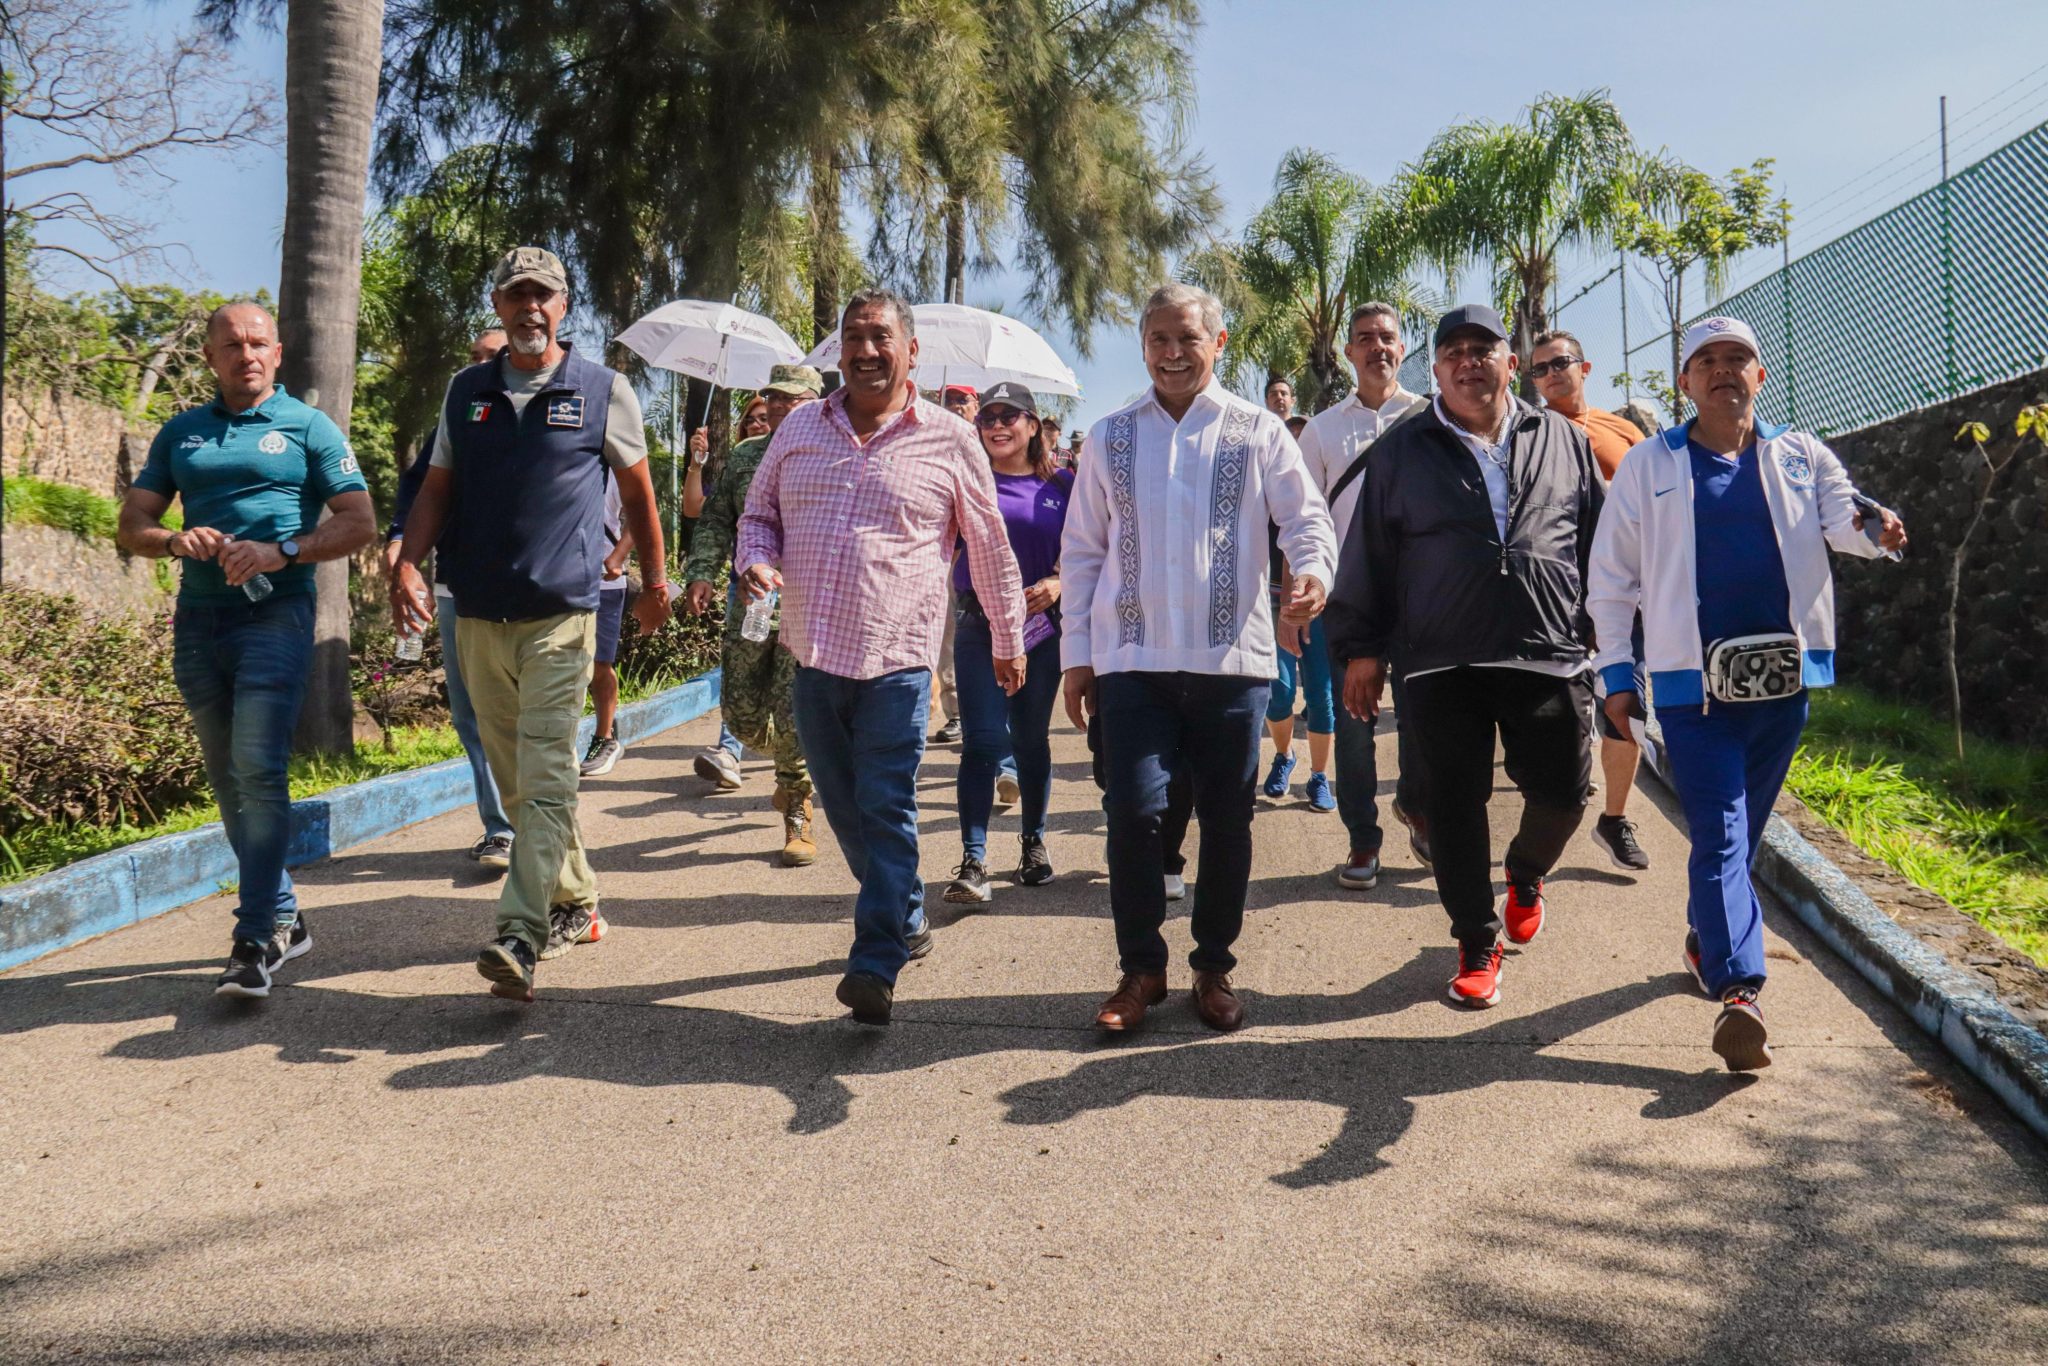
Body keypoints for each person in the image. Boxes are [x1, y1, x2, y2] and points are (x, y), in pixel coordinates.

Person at [1590, 316, 1906, 1071]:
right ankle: (1740, 991)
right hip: (1691, 693)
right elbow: (1612, 579)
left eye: (1739, 359)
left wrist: (1879, 532)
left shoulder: (1801, 456)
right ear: (1685, 381)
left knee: (1741, 833)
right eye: (1707, 361)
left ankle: (1707, 937)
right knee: (1723, 835)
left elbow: (1846, 520)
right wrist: (1616, 675)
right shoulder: (1649, 464)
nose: (1724, 370)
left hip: (1782, 688)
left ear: (1760, 376)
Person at [736, 287, 1027, 1026]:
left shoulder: (950, 439)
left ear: (911, 351)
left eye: (880, 337)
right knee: (846, 811)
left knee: (887, 805)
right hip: (812, 655)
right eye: (853, 338)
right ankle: (905, 910)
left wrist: (1007, 638)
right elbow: (758, 515)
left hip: (898, 660)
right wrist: (757, 560)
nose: (865, 351)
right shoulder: (800, 428)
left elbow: (989, 546)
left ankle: (874, 960)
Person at [391, 245, 670, 1002]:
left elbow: (639, 496)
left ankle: (520, 931)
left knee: (547, 773)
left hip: (562, 614)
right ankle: (577, 901)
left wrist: (654, 580)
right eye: (517, 294)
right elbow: (436, 489)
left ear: (563, 305)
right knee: (517, 782)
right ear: (497, 303)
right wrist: (408, 563)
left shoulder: (602, 389)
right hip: (479, 612)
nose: (530, 308)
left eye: (543, 295)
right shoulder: (467, 391)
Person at [1062, 282, 1337, 1034]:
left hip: (1231, 664)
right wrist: (1077, 656)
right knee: (1133, 814)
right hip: (1133, 661)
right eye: (1159, 339)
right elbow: (1083, 551)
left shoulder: (1258, 430)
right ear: (1143, 346)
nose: (1173, 354)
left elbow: (1305, 519)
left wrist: (1312, 574)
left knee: (1227, 822)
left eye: (1188, 338)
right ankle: (1141, 970)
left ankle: (1212, 968)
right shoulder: (1110, 436)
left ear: (1219, 343)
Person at [1326, 303, 1603, 1011]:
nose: (1468, 363)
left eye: (1483, 350)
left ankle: (1525, 872)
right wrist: (1362, 649)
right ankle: (1477, 940)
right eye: (1453, 352)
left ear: (1511, 362)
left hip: (1548, 648)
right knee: (1452, 805)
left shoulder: (1561, 438)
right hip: (1440, 657)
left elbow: (1597, 538)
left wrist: (1611, 629)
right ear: (1436, 369)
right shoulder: (1401, 449)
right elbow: (1370, 553)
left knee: (1564, 795)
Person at [117, 301, 375, 998]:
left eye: (259, 343)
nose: (247, 354)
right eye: (231, 345)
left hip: (276, 617)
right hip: (199, 621)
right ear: (209, 356)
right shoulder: (182, 432)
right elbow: (132, 524)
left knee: (258, 768)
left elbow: (358, 521)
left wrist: (281, 550)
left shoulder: (308, 426)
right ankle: (284, 913)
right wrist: (176, 539)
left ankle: (254, 937)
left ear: (278, 353)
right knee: (229, 777)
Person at [1297, 302, 1427, 889]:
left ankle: (1418, 807)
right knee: (1354, 728)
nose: (1378, 347)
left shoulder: (1431, 417)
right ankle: (1362, 840)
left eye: (1387, 337)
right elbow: (1302, 519)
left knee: (1426, 721)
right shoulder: (1322, 430)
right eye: (1365, 338)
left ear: (1402, 347)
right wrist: (1294, 601)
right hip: (1348, 602)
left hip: (1423, 598)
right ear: (1348, 352)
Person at [682, 363, 824, 866]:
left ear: (816, 401)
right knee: (740, 714)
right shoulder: (746, 456)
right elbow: (716, 518)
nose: (782, 406)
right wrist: (701, 572)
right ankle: (792, 759)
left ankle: (797, 802)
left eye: (794, 398)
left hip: (808, 605)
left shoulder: (830, 452)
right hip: (753, 601)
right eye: (775, 397)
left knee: (790, 709)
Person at [384, 327, 516, 870]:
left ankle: (541, 822)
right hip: (455, 588)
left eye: (491, 356)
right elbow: (420, 489)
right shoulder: (455, 416)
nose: (478, 366)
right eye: (473, 358)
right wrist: (399, 543)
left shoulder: (546, 419)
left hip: (531, 594)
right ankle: (502, 828)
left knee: (525, 716)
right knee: (470, 714)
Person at [1528, 328, 1653, 872]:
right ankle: (1547, 814)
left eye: (1560, 363)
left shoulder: (1622, 430)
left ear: (1585, 367)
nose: (1551, 374)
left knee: (1628, 705)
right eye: (1540, 369)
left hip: (1630, 591)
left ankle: (1614, 818)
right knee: (1555, 709)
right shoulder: (1530, 434)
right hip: (1559, 595)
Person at [943, 381, 1070, 903]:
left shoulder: (1064, 484)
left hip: (1042, 629)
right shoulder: (965, 481)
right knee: (982, 740)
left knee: (1030, 738)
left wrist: (1060, 581)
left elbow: (1091, 547)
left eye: (1008, 416)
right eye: (988, 418)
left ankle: (1033, 844)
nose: (996, 425)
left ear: (1033, 426)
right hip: (979, 625)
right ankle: (973, 860)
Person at [579, 475, 632, 778]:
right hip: (556, 579)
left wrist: (617, 556)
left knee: (599, 664)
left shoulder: (613, 470)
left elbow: (640, 513)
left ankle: (605, 738)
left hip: (604, 582)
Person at [682, 396, 769, 520]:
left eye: (764, 419)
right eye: (749, 421)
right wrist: (696, 460)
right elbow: (693, 508)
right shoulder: (735, 471)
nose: (754, 425)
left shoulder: (791, 465)